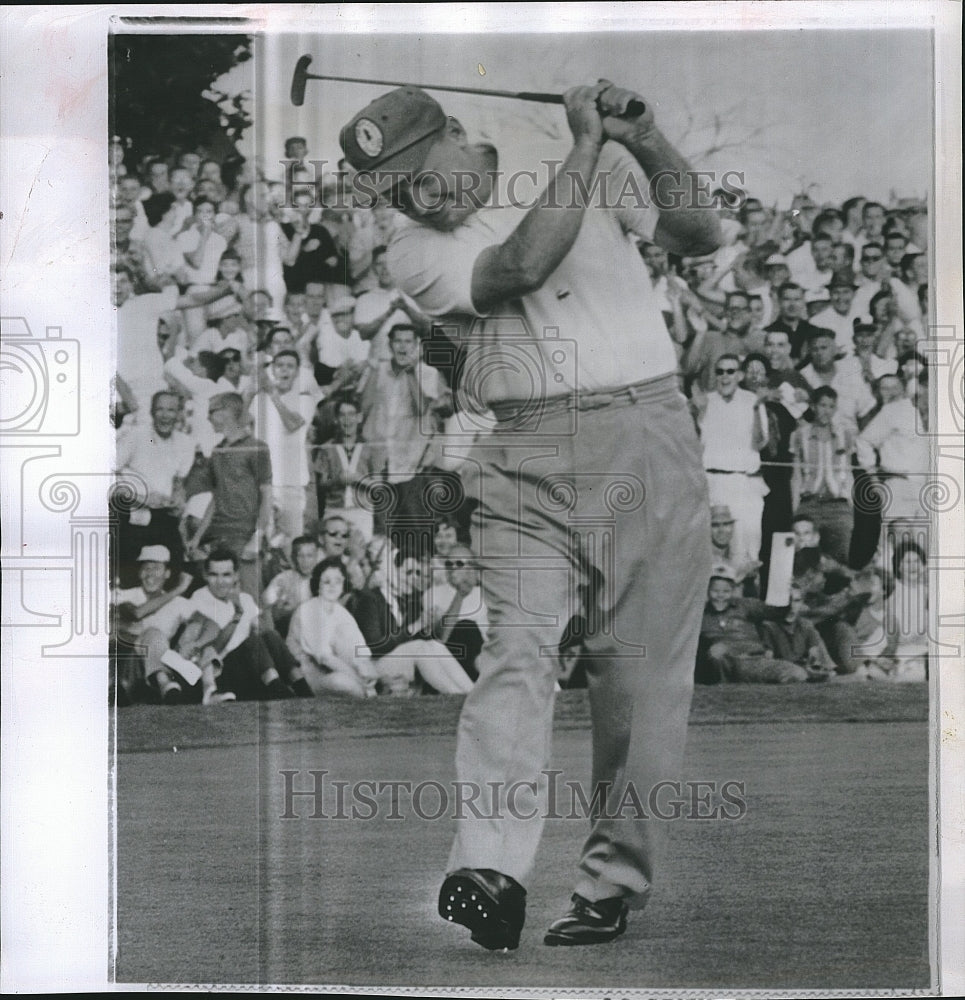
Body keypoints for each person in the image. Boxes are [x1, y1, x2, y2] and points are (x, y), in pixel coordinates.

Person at [340, 78, 720, 948]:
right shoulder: (409, 251)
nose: (408, 198)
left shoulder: (577, 164)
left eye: (412, 173)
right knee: (516, 649)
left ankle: (609, 884)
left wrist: (645, 136)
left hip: (645, 434)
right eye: (390, 189)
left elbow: (700, 234)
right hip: (523, 451)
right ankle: (488, 869)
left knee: (637, 684)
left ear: (456, 135)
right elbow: (517, 265)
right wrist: (589, 146)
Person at [286, 557, 378, 696]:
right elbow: (324, 658)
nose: (333, 586)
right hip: (308, 678)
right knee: (345, 683)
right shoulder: (309, 610)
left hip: (338, 672)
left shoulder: (342, 613)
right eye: (327, 581)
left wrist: (367, 671)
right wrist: (359, 679)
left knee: (355, 678)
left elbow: (359, 650)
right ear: (317, 585)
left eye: (338, 581)